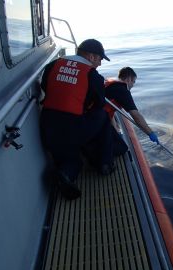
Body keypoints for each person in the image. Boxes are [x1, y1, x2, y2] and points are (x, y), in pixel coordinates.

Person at [40, 39, 114, 200]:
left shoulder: (53, 65)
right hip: (72, 128)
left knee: (71, 159)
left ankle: (65, 175)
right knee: (102, 115)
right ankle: (104, 163)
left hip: (47, 125)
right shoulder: (92, 75)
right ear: (91, 56)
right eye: (100, 59)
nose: (100, 64)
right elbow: (99, 103)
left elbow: (45, 87)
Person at [104, 67, 159, 156]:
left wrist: (117, 133)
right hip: (94, 118)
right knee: (121, 149)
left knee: (116, 139)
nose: (133, 85)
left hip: (92, 114)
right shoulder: (123, 91)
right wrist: (150, 133)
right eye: (133, 82)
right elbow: (136, 115)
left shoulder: (111, 84)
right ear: (129, 79)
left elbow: (110, 112)